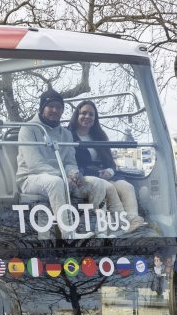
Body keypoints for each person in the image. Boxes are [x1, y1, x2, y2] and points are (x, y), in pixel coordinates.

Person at [16, 89, 108, 237]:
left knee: (97, 183)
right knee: (56, 183)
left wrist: (74, 175)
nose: (55, 110)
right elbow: (35, 164)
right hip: (30, 178)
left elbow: (70, 161)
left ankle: (100, 233)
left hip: (62, 179)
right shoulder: (28, 129)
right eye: (50, 106)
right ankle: (69, 235)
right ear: (42, 108)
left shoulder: (66, 134)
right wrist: (65, 178)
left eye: (59, 107)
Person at [68, 100, 146, 233]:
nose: (87, 117)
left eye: (91, 114)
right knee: (109, 188)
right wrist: (98, 174)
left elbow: (110, 161)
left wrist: (110, 171)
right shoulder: (69, 135)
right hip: (85, 175)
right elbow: (72, 163)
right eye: (83, 113)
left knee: (127, 187)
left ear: (95, 118)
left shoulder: (99, 135)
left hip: (105, 174)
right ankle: (123, 225)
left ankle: (134, 221)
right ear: (77, 115)